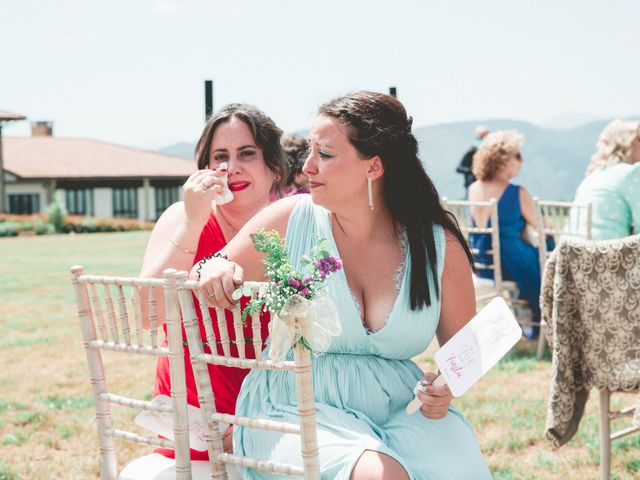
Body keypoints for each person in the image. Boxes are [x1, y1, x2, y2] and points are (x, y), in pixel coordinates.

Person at [197, 91, 491, 479]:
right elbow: (208, 268)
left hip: (401, 409)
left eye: (325, 154)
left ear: (374, 168)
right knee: (379, 475)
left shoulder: (437, 247)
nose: (307, 166)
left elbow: (465, 351)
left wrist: (448, 386)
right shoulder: (291, 218)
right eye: (310, 152)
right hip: (294, 404)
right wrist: (214, 269)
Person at [139, 103, 287, 460]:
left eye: (247, 154)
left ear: (274, 167)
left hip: (275, 413)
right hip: (195, 420)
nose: (232, 167)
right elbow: (147, 313)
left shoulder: (290, 225)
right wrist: (192, 223)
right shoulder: (182, 218)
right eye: (220, 156)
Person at [467, 130, 550, 338]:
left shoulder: (473, 188)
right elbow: (543, 227)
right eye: (518, 155)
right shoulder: (516, 192)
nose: (521, 161)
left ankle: (528, 318)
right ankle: (544, 314)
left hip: (483, 264)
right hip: (510, 263)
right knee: (549, 248)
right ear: (503, 160)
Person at [568, 119, 640, 240]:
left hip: (570, 250)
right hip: (605, 252)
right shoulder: (630, 173)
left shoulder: (593, 174)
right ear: (627, 143)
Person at [456, 125, 489, 191]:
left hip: (485, 185)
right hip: (471, 185)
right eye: (481, 137)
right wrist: (473, 170)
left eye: (486, 136)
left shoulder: (488, 152)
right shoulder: (472, 151)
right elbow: (459, 168)